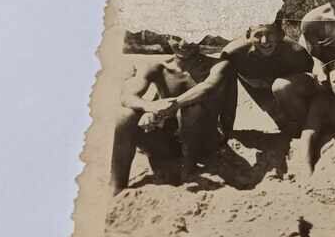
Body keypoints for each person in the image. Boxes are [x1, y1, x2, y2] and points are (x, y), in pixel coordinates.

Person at [111, 36, 230, 193]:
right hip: (166, 143)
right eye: (177, 37)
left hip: (203, 141)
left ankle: (188, 171)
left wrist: (172, 106)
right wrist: (149, 107)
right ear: (167, 37)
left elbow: (207, 88)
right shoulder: (157, 67)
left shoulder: (218, 65)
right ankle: (117, 186)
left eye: (191, 35)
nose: (184, 43)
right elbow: (127, 96)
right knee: (124, 116)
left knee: (191, 109)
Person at [217, 18, 315, 133]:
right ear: (248, 36)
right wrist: (226, 127)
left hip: (287, 88)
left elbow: (313, 84)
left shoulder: (295, 52)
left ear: (280, 34)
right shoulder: (232, 54)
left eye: (270, 34)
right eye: (258, 35)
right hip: (258, 87)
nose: (265, 41)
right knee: (284, 125)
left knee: (282, 88)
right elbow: (226, 91)